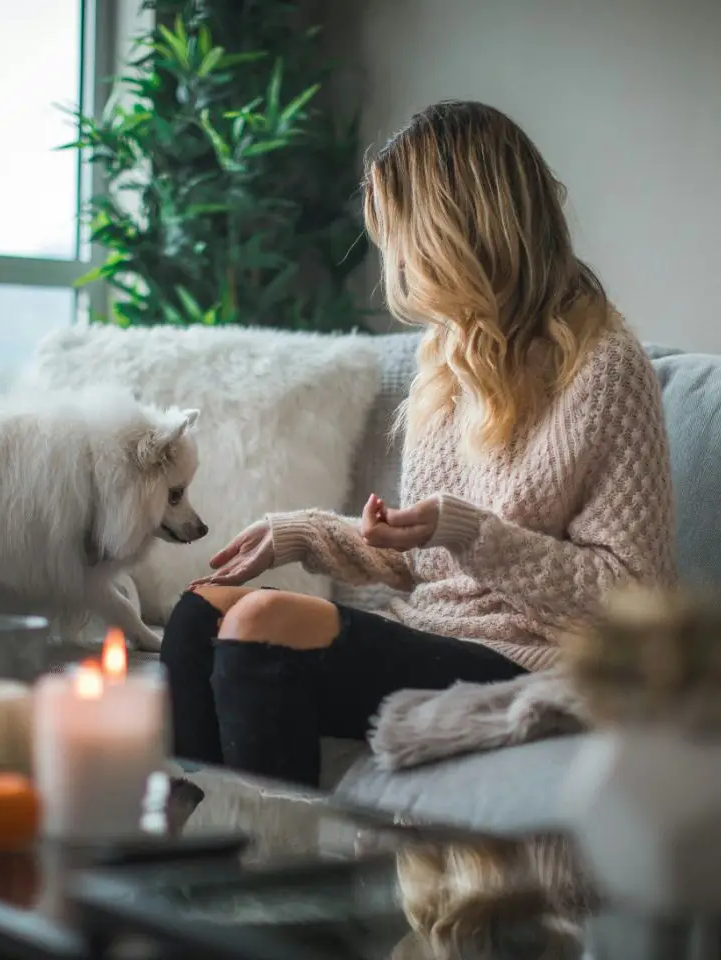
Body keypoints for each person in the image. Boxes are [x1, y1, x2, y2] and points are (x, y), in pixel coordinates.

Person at [159, 100, 676, 788]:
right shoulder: (447, 354)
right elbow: (425, 559)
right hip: (432, 630)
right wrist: (305, 534)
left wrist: (471, 533)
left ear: (455, 231)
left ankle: (276, 886)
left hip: (537, 657)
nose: (394, 256)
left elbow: (632, 600)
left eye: (399, 232)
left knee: (263, 623)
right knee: (200, 614)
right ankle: (189, 867)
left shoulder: (604, 367)